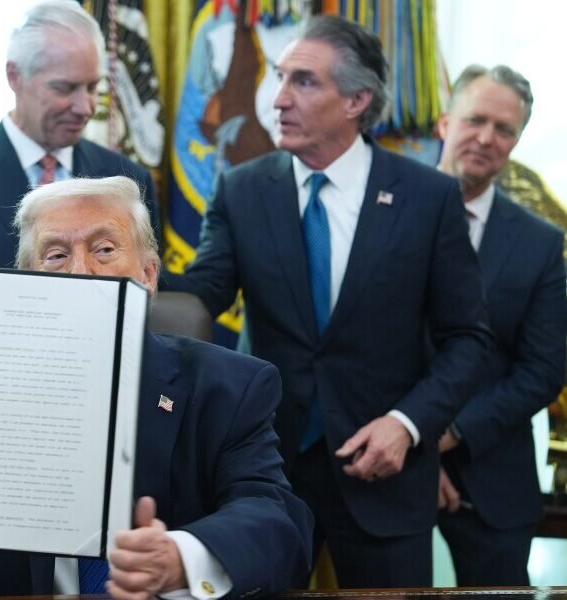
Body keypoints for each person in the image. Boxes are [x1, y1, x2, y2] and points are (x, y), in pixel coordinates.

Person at [164, 15, 493, 587]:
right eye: (279, 77)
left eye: (303, 81)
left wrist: (406, 424)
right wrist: (127, 273)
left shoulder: (428, 197)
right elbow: (202, 294)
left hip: (384, 477)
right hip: (269, 476)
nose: (277, 99)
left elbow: (468, 340)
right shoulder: (242, 188)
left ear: (356, 101)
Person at [0, 176, 313, 599]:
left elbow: (276, 522)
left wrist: (181, 558)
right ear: (29, 283)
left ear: (148, 276)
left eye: (104, 249)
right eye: (56, 255)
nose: (81, 271)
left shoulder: (229, 387)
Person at [0, 0, 160, 288]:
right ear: (15, 77)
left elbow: (151, 290)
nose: (85, 106)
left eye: (92, 87)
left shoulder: (127, 180)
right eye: (65, 88)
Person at [434, 64, 566, 586]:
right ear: (445, 122)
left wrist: (448, 436)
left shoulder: (540, 242)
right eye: (476, 120)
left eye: (505, 129)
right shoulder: (382, 208)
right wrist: (411, 440)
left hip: (492, 473)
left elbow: (542, 370)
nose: (487, 138)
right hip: (379, 467)